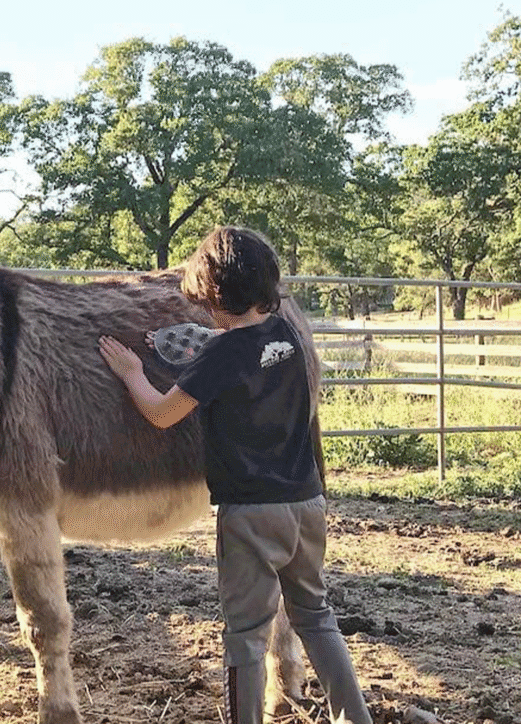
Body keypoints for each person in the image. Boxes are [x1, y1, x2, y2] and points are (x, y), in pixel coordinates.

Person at [98, 226, 372, 724]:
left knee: (246, 636)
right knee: (317, 618)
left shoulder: (220, 355)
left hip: (251, 515)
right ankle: (355, 717)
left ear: (214, 297)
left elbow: (162, 413)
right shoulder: (287, 333)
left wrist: (133, 374)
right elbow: (255, 358)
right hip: (306, 506)